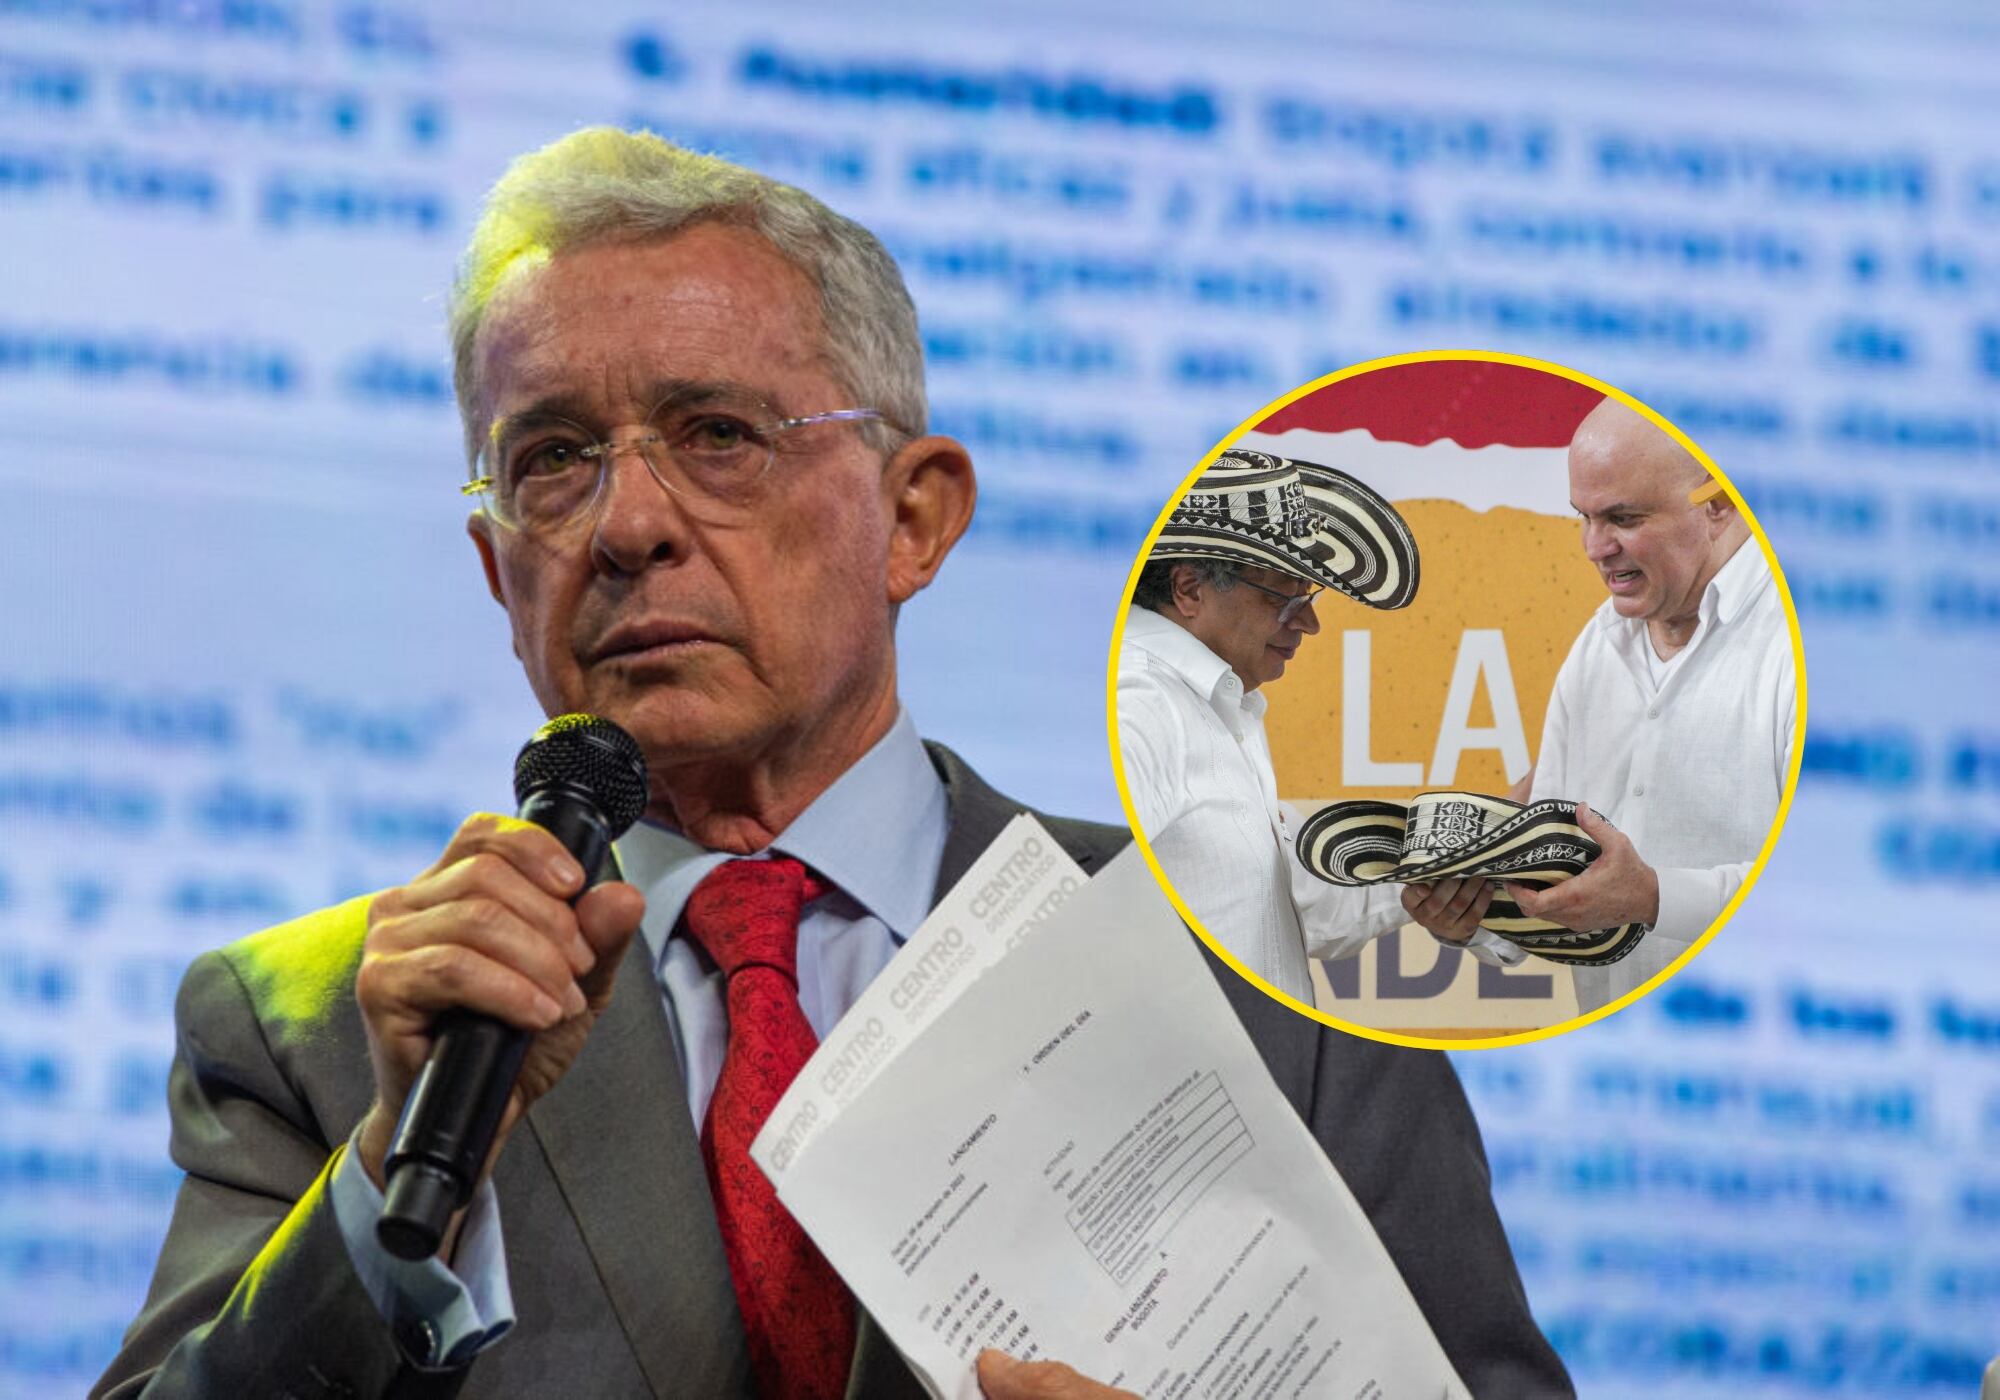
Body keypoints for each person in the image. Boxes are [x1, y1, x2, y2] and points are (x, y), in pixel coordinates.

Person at [95, 130, 1571, 1399]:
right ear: (497, 573)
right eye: (551, 459)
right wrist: (389, 1180)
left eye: (718, 434)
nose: (624, 527)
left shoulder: (1267, 955)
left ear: (915, 520)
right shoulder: (321, 1029)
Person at [1403, 397, 1795, 1014]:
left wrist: (1653, 898)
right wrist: (1468, 918)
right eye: (1583, 517)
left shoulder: (1793, 648)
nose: (1593, 546)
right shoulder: (1598, 644)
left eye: (1622, 517)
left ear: (1718, 503)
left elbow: (1832, 908)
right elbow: (1552, 882)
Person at [1117, 450, 1528, 1005]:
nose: (1309, 621)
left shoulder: (1211, 707)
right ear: (1190, 590)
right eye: (1284, 596)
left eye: (1308, 596)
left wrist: (1456, 867)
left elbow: (1283, 896)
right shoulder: (1139, 703)